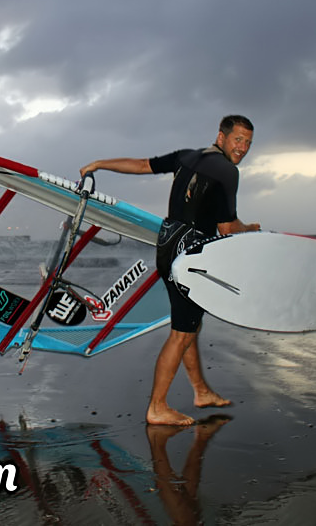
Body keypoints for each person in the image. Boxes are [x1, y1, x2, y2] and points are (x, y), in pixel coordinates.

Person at [80, 115, 260, 426]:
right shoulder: (228, 172)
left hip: (167, 244)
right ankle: (157, 407)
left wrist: (99, 163)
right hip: (191, 254)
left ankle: (201, 391)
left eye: (248, 143)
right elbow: (227, 227)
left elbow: (139, 165)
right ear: (222, 136)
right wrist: (251, 229)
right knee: (181, 334)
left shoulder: (187, 156)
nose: (242, 148)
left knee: (188, 325)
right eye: (238, 140)